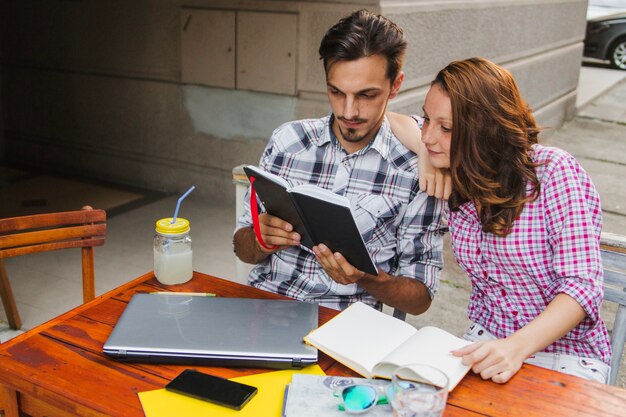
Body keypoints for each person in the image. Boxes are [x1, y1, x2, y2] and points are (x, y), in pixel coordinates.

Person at [389, 57, 611, 384]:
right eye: (426, 119)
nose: (428, 136)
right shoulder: (455, 171)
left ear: (486, 129)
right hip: (486, 341)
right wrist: (426, 156)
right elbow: (391, 118)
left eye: (446, 128)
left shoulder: (552, 172)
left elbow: (582, 287)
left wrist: (516, 347)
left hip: (565, 353)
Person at [233, 9, 446, 314]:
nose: (348, 111)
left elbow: (420, 299)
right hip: (264, 310)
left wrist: (367, 278)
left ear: (395, 86)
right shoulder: (288, 142)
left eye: (367, 95)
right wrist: (260, 239)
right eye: (336, 92)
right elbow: (242, 249)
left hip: (345, 327)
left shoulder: (416, 171)